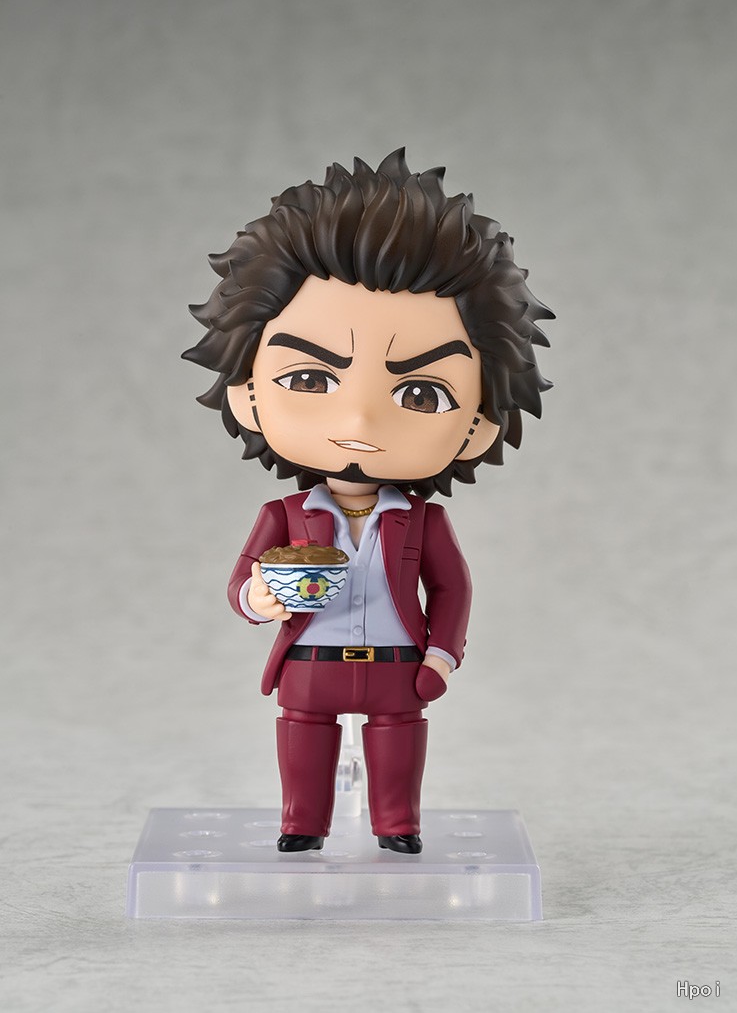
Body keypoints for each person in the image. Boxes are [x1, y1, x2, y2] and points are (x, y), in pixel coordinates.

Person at [183, 148, 553, 854]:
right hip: (310, 662)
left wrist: (441, 657)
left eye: (421, 394)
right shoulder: (282, 517)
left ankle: (397, 826)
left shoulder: (424, 520)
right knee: (302, 737)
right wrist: (257, 598)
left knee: (398, 742)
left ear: (477, 426)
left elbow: (452, 589)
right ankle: (302, 825)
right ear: (247, 393)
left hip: (396, 665)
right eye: (309, 379)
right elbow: (243, 581)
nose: (358, 423)